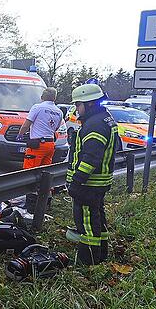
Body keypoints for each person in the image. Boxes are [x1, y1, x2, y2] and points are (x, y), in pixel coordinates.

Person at [66, 83, 118, 265]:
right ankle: (101, 254)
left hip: (88, 184)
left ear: (89, 104)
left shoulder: (95, 125)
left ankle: (88, 261)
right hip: (98, 183)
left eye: (77, 104)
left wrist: (76, 181)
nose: (76, 109)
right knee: (97, 218)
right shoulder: (104, 119)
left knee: (87, 223)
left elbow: (91, 158)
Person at [21, 87, 62, 169]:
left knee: (29, 172)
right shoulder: (59, 112)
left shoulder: (37, 107)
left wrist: (20, 134)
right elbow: (56, 128)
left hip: (37, 145)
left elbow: (26, 125)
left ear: (42, 97)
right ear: (54, 98)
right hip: (50, 145)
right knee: (45, 171)